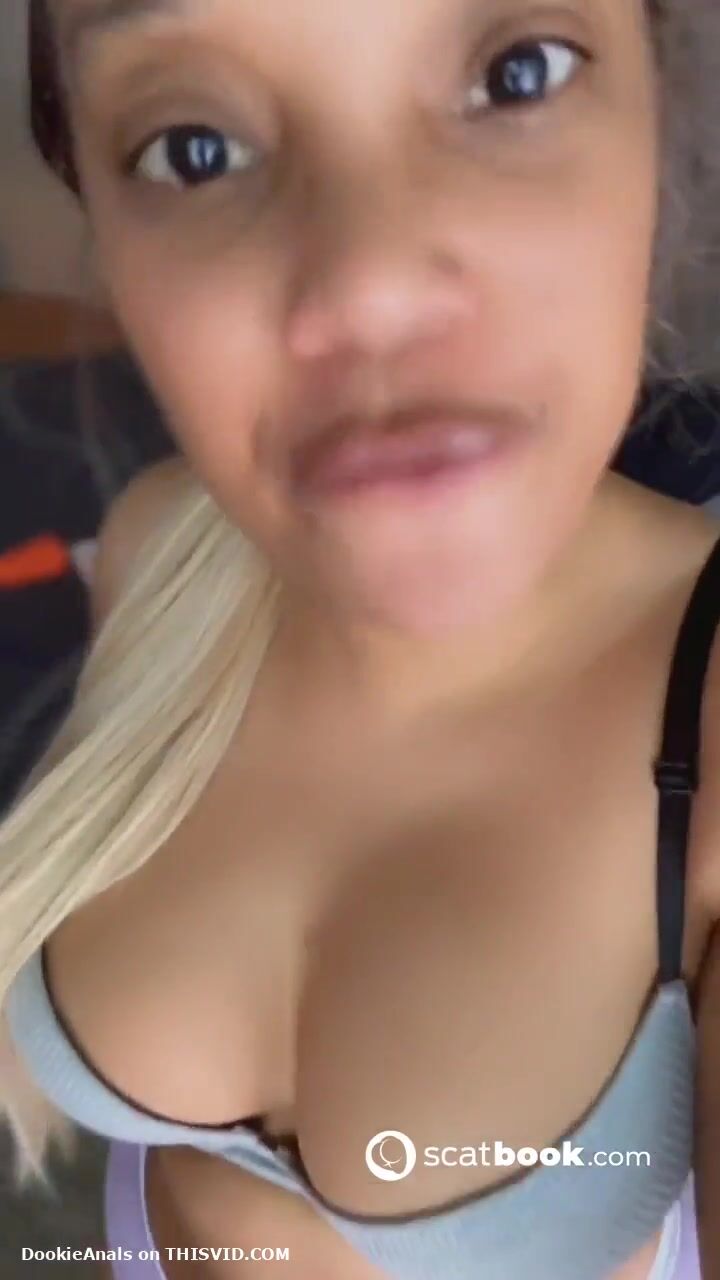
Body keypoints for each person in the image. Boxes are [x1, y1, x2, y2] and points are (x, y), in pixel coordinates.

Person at [2, 0, 720, 1277]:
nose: (368, 287)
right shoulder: (163, 545)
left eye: (518, 74)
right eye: (193, 149)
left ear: (660, 128)